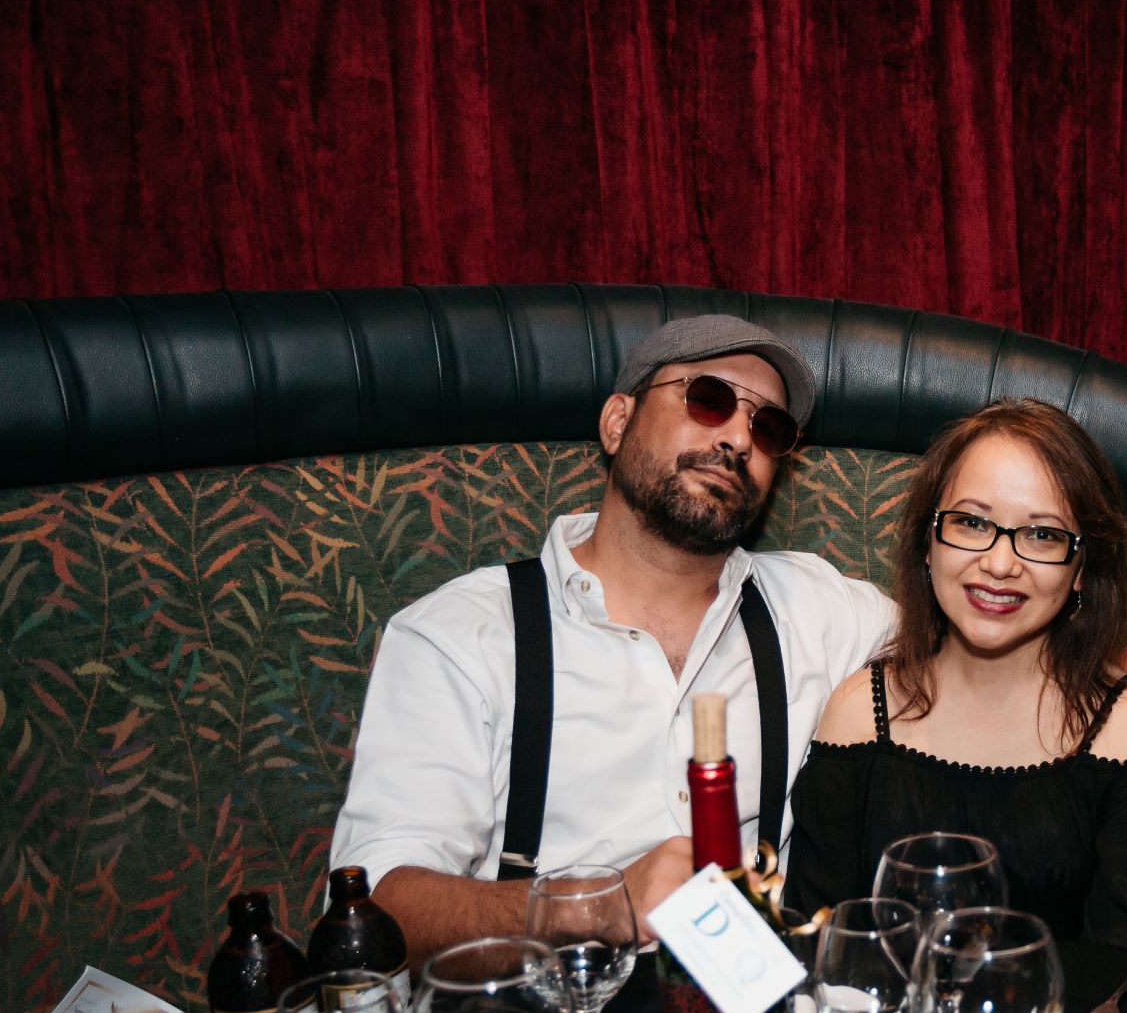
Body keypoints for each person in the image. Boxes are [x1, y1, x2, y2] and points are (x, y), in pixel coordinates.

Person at [331, 316, 894, 959]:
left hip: (750, 1009)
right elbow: (374, 906)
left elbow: (962, 640)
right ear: (617, 422)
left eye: (769, 428)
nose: (739, 438)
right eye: (708, 399)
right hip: (542, 1012)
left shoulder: (820, 609)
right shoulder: (460, 636)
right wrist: (594, 905)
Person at [785, 400, 1127, 949]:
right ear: (928, 543)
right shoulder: (858, 710)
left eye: (1043, 535)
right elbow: (816, 947)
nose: (1001, 564)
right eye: (972, 523)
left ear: (1082, 569)